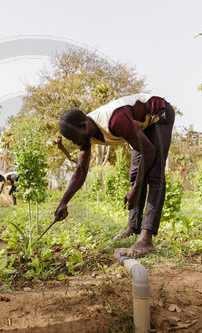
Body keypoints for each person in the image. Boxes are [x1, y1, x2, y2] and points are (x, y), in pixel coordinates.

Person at [54, 93, 175, 258]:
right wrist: (63, 202)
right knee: (135, 174)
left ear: (83, 126)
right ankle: (134, 227)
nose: (75, 143)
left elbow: (149, 151)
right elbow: (81, 170)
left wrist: (135, 190)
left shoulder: (115, 120)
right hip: (140, 125)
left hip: (158, 114)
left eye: (74, 139)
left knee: (155, 174)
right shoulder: (86, 133)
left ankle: (146, 238)